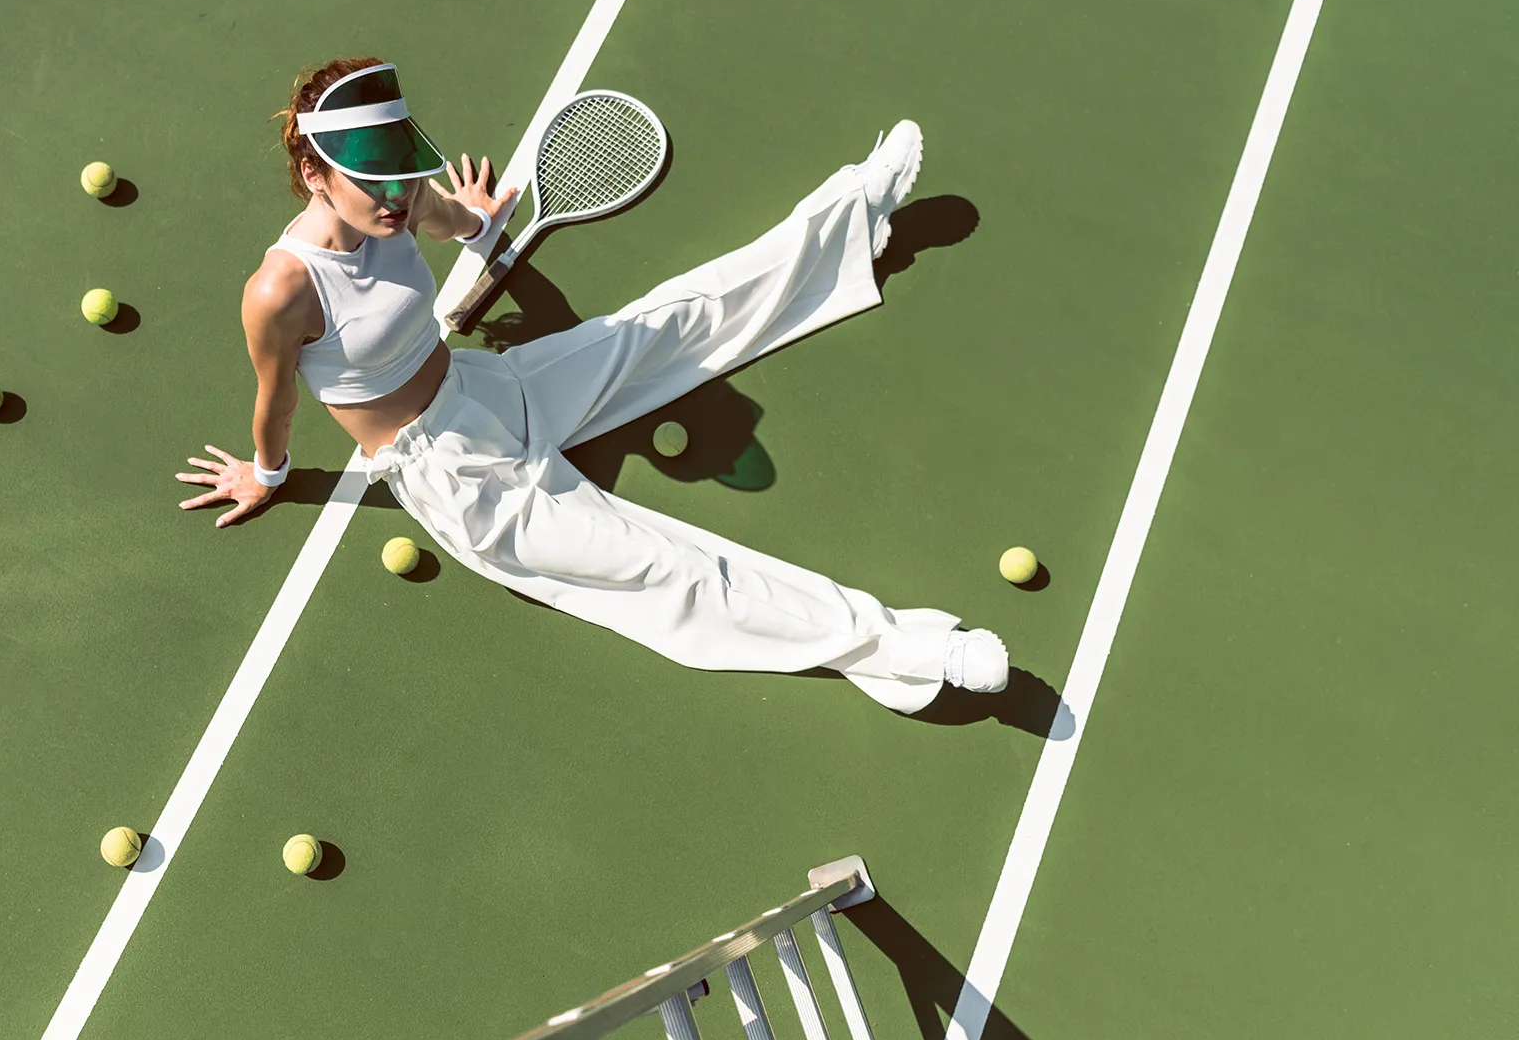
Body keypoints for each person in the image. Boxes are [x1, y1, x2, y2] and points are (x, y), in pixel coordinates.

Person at [178, 57, 1008, 715]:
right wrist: (270, 472)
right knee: (672, 570)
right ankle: (912, 652)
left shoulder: (400, 201)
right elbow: (278, 396)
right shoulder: (280, 291)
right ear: (315, 174)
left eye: (402, 175)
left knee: (670, 319)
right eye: (375, 184)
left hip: (490, 388)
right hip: (464, 485)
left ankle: (853, 215)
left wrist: (478, 215)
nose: (396, 199)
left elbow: (455, 223)